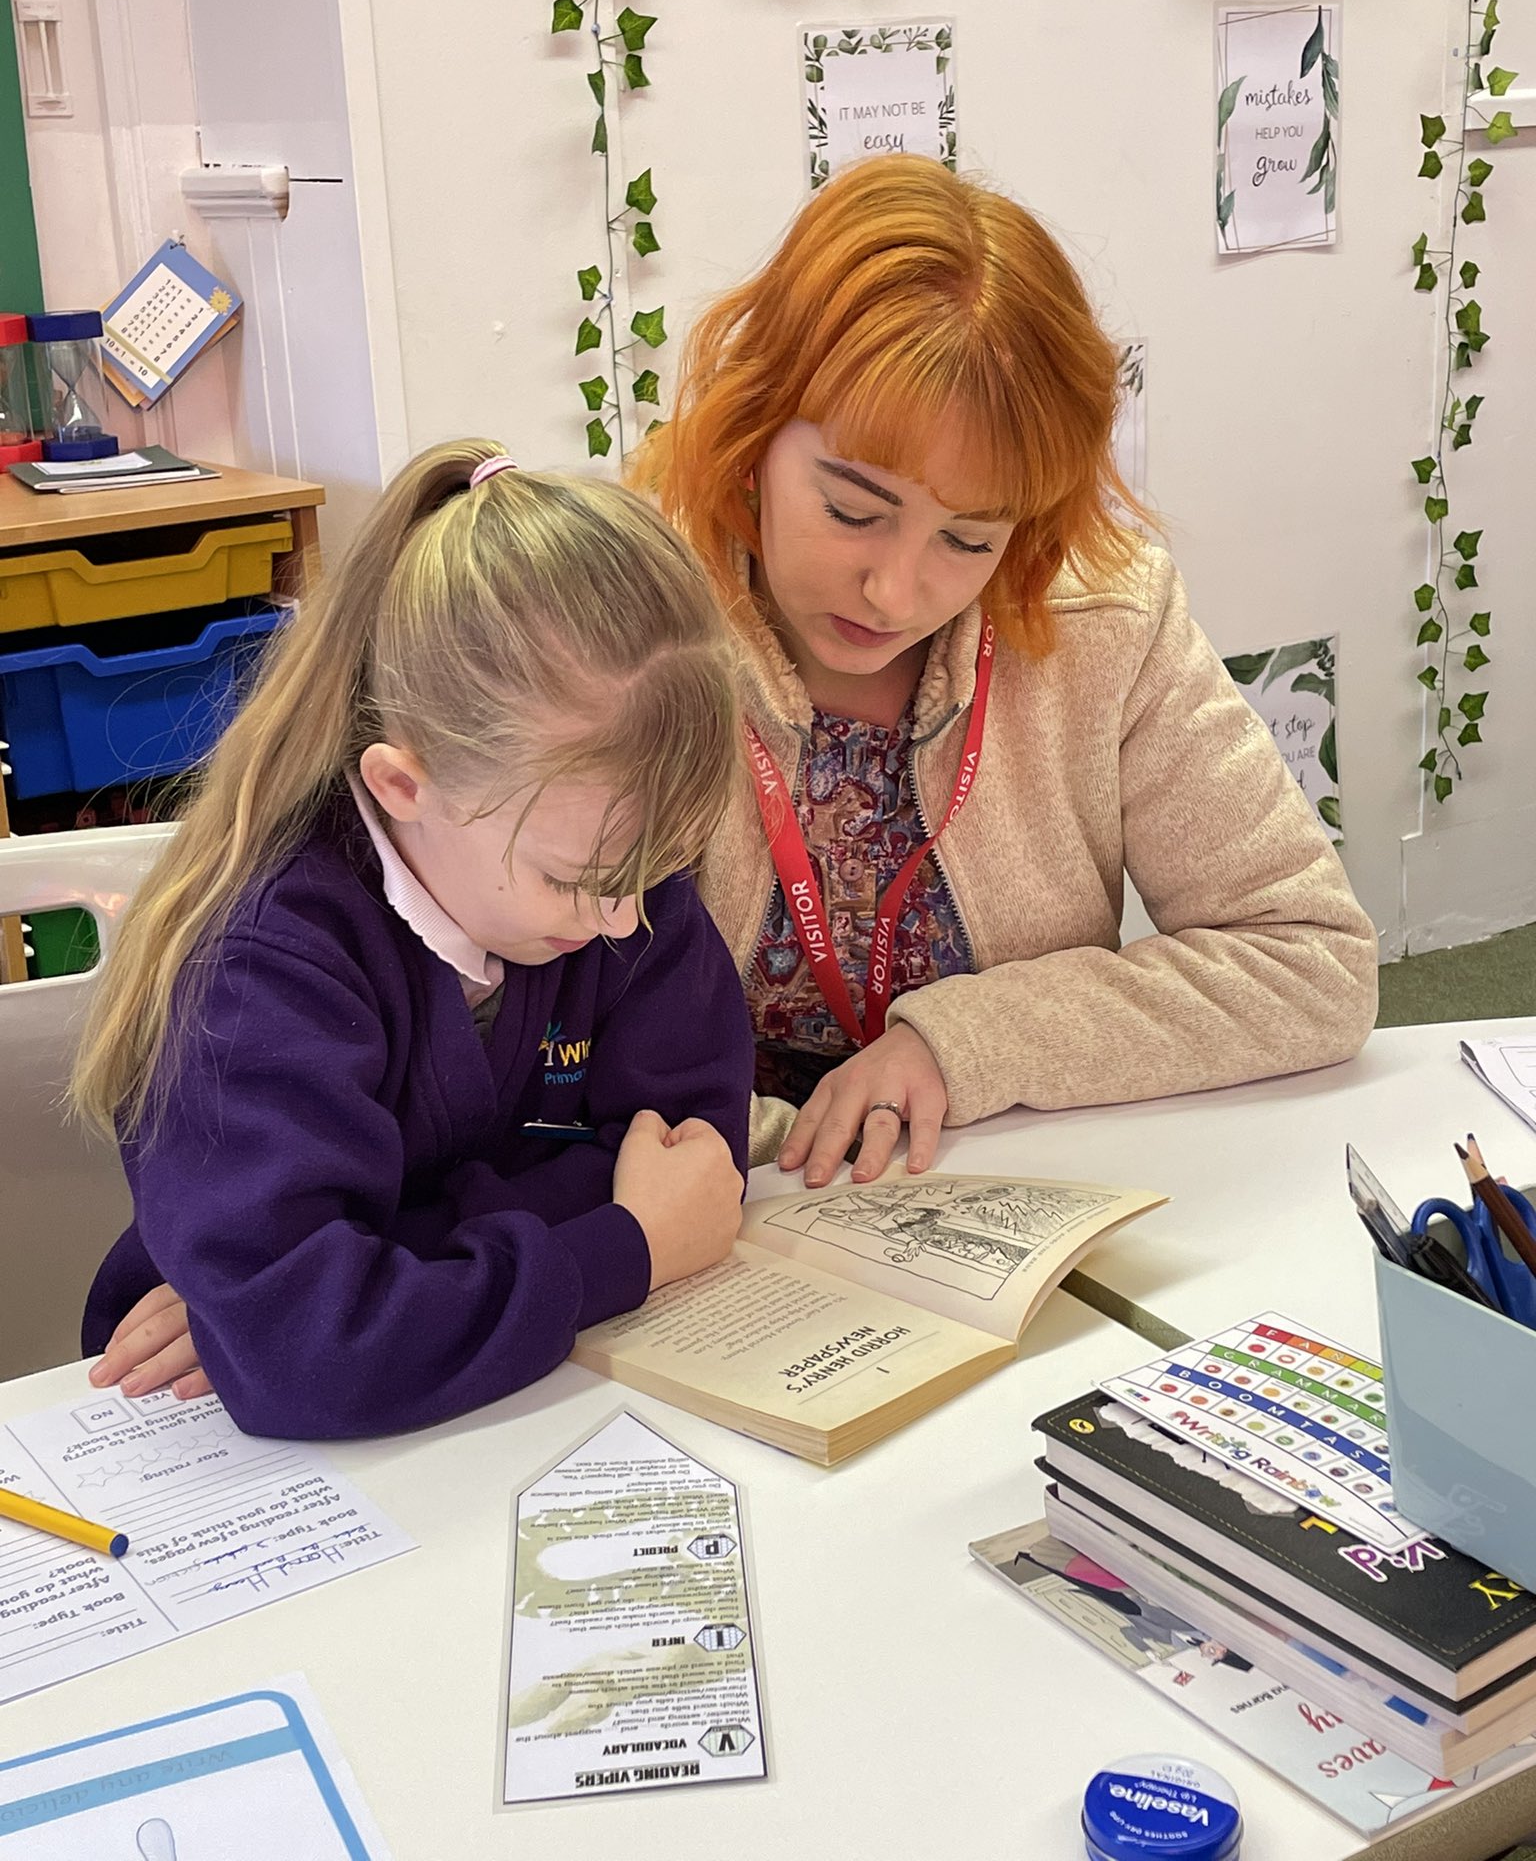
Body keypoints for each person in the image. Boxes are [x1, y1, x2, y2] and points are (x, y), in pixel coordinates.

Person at [636, 153, 1377, 1187]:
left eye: (969, 540)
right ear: (752, 428)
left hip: (991, 1188)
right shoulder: (627, 616)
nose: (892, 590)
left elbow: (1310, 961)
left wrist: (971, 1039)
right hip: (699, 1201)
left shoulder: (1103, 617)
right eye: (853, 509)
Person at [76, 444, 753, 1438]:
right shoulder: (265, 958)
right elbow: (307, 1362)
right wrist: (623, 1241)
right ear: (403, 786)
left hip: (509, 1414)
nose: (624, 922)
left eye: (650, 876)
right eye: (576, 881)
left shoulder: (618, 869)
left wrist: (380, 1269)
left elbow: (696, 1158)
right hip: (214, 1450)